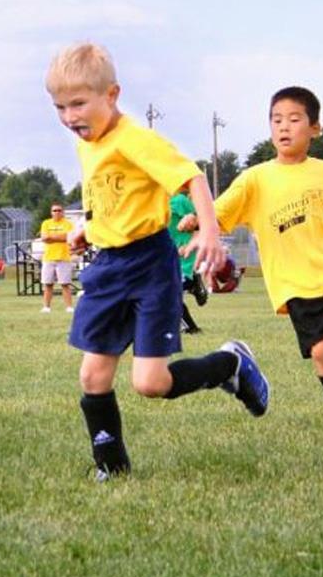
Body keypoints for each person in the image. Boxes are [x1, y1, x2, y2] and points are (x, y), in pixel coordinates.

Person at [45, 42, 269, 482]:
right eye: (59, 107)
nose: (70, 116)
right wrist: (85, 229)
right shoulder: (86, 144)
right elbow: (112, 198)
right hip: (107, 267)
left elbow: (191, 178)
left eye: (78, 103)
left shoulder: (135, 140)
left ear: (111, 95)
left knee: (150, 383)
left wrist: (209, 231)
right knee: (93, 375)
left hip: (149, 266)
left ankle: (230, 364)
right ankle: (112, 467)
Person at [208, 86, 323, 428]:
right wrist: (196, 220)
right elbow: (218, 213)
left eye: (294, 119)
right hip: (294, 283)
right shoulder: (255, 179)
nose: (284, 127)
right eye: (276, 120)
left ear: (314, 128)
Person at [168, 188, 207, 334]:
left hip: (184, 254)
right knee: (169, 294)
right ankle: (193, 285)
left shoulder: (179, 200)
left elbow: (199, 222)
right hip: (169, 257)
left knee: (169, 293)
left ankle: (193, 284)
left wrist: (191, 243)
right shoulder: (157, 206)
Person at [38, 203, 75, 313]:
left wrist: (52, 237)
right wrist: (60, 237)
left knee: (65, 284)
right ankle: (46, 307)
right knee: (48, 283)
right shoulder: (46, 223)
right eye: (54, 210)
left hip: (64, 257)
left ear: (62, 212)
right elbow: (44, 238)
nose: (57, 212)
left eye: (59, 210)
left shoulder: (68, 224)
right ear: (51, 212)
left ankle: (69, 307)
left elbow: (68, 237)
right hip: (49, 257)